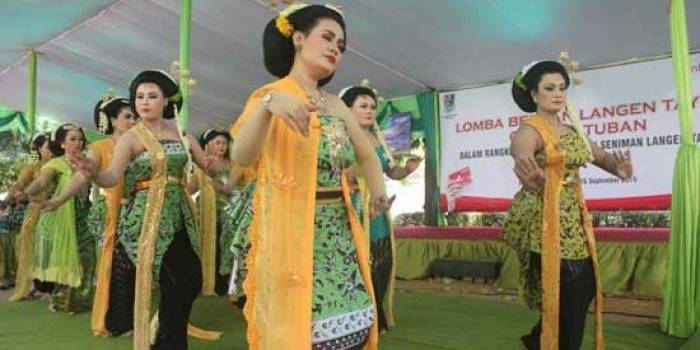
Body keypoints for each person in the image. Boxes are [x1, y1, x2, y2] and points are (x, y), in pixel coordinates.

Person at [230, 4, 390, 349]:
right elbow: (241, 156)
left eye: (341, 45)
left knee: (354, 324)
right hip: (292, 232)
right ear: (298, 38)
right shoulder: (266, 96)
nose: (336, 48)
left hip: (339, 230)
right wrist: (269, 106)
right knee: (302, 328)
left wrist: (378, 193)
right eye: (328, 37)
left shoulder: (335, 104)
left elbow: (366, 154)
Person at [73, 69, 233, 350]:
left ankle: (165, 339)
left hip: (181, 214)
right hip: (148, 219)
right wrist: (92, 173)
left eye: (152, 96)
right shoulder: (131, 138)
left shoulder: (182, 135)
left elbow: (206, 167)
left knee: (191, 279)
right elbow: (111, 177)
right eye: (139, 96)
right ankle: (169, 343)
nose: (144, 101)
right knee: (177, 280)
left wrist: (217, 166)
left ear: (166, 101)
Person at [504, 60, 633, 350]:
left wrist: (620, 167)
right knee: (570, 291)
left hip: (573, 221)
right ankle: (550, 342)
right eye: (549, 88)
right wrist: (529, 175)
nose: (558, 93)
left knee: (580, 289)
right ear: (534, 94)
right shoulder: (530, 129)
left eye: (562, 87)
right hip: (544, 220)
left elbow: (600, 157)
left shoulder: (570, 130)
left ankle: (539, 339)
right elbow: (520, 149)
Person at [46, 94, 137, 336]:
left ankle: (139, 316)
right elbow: (82, 176)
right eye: (128, 116)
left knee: (139, 269)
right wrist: (58, 199)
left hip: (144, 211)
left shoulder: (143, 144)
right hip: (115, 214)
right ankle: (118, 321)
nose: (133, 120)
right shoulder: (100, 148)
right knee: (118, 267)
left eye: (134, 116)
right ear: (113, 120)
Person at [340, 85, 422, 332]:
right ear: (346, 109)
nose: (369, 111)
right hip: (353, 207)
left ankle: (377, 313)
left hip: (379, 206)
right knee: (357, 262)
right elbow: (338, 174)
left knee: (382, 260)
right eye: (363, 106)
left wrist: (406, 170)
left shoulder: (377, 138)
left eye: (372, 107)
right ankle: (359, 317)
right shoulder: (341, 139)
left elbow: (391, 171)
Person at [24, 123, 93, 313]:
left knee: (86, 256)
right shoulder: (55, 164)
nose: (77, 143)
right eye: (72, 139)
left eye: (80, 139)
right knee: (64, 257)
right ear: (62, 143)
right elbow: (41, 181)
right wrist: (26, 193)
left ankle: (80, 299)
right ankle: (61, 299)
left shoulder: (88, 162)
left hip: (84, 216)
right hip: (61, 217)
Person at [187, 128, 240, 296]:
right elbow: (191, 186)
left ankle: (223, 280)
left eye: (224, 143)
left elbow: (234, 189)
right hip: (208, 209)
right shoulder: (202, 163)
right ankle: (206, 279)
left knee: (226, 243)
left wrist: (223, 188)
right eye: (218, 142)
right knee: (208, 242)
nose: (222, 147)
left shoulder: (232, 164)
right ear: (208, 144)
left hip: (228, 211)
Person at [3, 134, 53, 295]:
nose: (50, 150)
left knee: (51, 251)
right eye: (47, 147)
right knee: (33, 250)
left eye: (52, 147)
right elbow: (19, 185)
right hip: (35, 213)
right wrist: (6, 200)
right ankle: (33, 286)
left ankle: (54, 287)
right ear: (38, 149)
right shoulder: (32, 167)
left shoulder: (60, 165)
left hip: (56, 211)